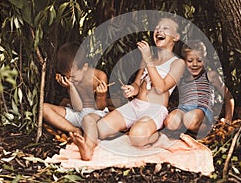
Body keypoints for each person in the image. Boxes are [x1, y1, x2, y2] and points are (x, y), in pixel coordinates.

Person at [70, 18, 186, 160]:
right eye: (157, 27)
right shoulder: (148, 58)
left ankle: (156, 135)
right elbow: (137, 84)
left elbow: (161, 88)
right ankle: (88, 149)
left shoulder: (178, 63)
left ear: (176, 37)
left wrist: (148, 59)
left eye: (166, 28)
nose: (159, 30)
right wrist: (132, 89)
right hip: (135, 106)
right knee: (100, 130)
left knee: (137, 137)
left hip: (155, 109)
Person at [164, 40, 234, 139]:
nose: (195, 64)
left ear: (204, 61)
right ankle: (188, 128)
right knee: (170, 123)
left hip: (201, 109)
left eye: (199, 60)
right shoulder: (181, 79)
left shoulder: (210, 75)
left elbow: (229, 97)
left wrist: (228, 119)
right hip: (183, 108)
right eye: (190, 61)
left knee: (190, 120)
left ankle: (208, 127)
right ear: (184, 61)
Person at [43, 42, 109, 136]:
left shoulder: (99, 76)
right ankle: (75, 130)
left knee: (94, 123)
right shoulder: (72, 80)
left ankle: (84, 132)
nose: (70, 80)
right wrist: (71, 88)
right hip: (77, 113)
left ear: (84, 67)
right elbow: (78, 108)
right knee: (44, 108)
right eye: (67, 77)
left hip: (95, 115)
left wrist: (101, 96)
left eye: (73, 77)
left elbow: (101, 107)